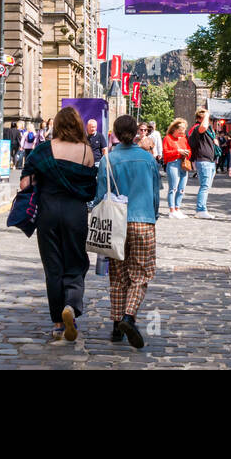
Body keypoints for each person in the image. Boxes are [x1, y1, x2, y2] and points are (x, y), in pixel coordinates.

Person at [20, 106, 98, 342]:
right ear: (77, 125)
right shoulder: (86, 152)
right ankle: (71, 307)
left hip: (48, 212)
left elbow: (25, 184)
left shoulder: (43, 151)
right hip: (75, 213)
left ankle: (57, 322)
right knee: (75, 262)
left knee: (53, 267)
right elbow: (90, 188)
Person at [92, 114, 161, 348]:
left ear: (114, 132)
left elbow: (101, 196)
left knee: (118, 276)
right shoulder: (148, 159)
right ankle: (129, 317)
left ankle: (115, 328)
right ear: (137, 133)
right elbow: (154, 194)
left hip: (116, 223)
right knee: (140, 275)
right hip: (142, 221)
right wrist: (153, 215)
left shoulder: (108, 160)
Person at [188, 108, 219, 217]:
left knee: (207, 186)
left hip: (210, 161)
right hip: (203, 161)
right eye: (205, 117)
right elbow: (204, 126)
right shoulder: (198, 128)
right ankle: (201, 210)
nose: (208, 119)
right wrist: (206, 114)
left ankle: (202, 208)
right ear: (199, 118)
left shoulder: (208, 130)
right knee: (204, 186)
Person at [162, 119, 191, 216]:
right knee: (173, 188)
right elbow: (166, 153)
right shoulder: (167, 138)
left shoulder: (183, 138)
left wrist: (187, 153)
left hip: (183, 163)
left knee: (181, 188)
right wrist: (178, 151)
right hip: (173, 163)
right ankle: (171, 210)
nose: (183, 132)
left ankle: (177, 208)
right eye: (181, 130)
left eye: (184, 130)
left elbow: (189, 150)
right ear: (175, 129)